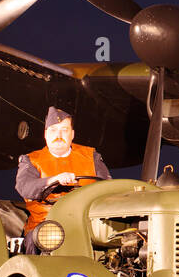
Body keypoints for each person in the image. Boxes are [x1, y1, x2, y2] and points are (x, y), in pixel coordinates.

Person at [16, 106, 110, 253]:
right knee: (37, 240)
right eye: (53, 130)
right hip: (46, 223)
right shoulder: (31, 160)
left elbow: (107, 186)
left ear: (72, 134)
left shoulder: (91, 156)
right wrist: (54, 180)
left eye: (64, 130)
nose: (58, 135)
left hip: (85, 222)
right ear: (46, 134)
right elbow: (24, 187)